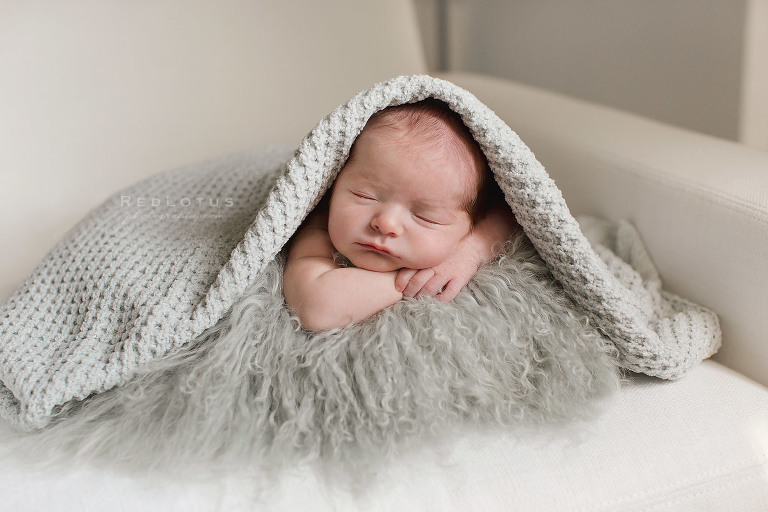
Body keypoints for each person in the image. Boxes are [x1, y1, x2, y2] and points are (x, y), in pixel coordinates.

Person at [283, 99, 517, 331]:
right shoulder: (319, 227)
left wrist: (470, 252)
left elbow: (512, 213)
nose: (386, 223)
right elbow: (318, 308)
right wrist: (417, 281)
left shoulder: (479, 226)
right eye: (365, 196)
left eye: (425, 217)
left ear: (471, 226)